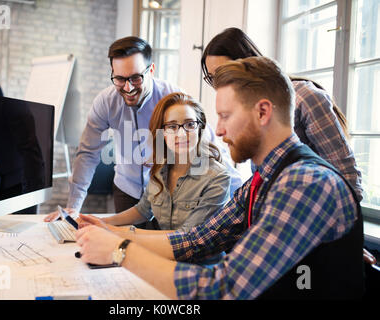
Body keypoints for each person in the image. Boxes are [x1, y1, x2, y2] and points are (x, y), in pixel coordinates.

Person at [74, 57, 364, 299]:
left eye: (225, 116)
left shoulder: (305, 183)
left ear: (262, 112)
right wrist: (109, 234)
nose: (219, 130)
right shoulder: (263, 180)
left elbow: (224, 288)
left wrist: (121, 250)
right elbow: (198, 238)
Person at [45, 36, 240, 221]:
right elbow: (88, 154)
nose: (128, 88)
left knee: (160, 244)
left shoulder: (173, 98)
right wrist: (74, 207)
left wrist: (240, 195)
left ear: (151, 70)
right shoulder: (105, 102)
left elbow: (209, 145)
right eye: (120, 79)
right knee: (125, 246)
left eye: (136, 78)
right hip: (126, 189)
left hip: (166, 191)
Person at [201, 27, 363, 201]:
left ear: (246, 63)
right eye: (212, 78)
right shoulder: (249, 109)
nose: (218, 85)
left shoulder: (305, 98)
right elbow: (262, 179)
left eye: (221, 73)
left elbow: (349, 180)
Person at [76, 92, 237, 243]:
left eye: (189, 124)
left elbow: (187, 237)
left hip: (198, 266)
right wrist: (101, 221)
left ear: (200, 128)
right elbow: (144, 209)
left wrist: (113, 231)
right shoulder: (161, 168)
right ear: (162, 133)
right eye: (172, 127)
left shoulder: (217, 177)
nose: (181, 134)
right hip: (164, 256)